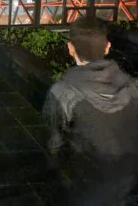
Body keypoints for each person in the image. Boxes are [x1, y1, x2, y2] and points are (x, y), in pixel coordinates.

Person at [43, 16, 138, 205]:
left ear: (71, 48)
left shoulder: (62, 93)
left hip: (85, 188)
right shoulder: (131, 87)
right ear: (107, 47)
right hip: (127, 187)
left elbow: (53, 146)